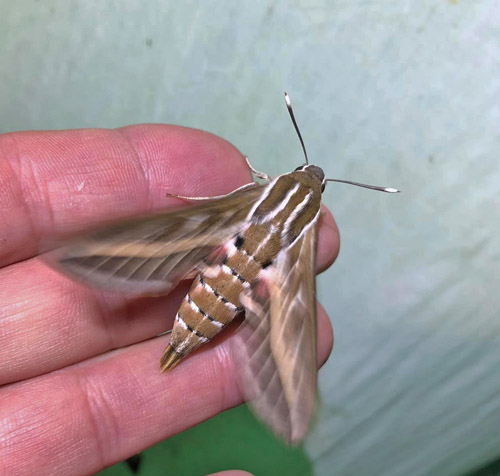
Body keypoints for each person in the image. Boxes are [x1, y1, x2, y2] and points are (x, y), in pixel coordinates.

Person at [0, 125, 338, 475]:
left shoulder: (257, 195)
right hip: (233, 296)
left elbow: (219, 201)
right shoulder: (306, 235)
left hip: (210, 277)